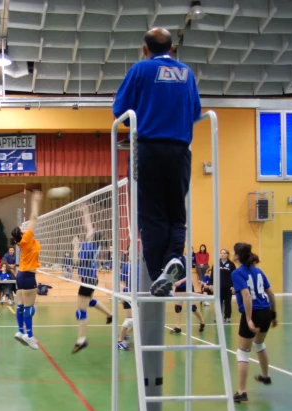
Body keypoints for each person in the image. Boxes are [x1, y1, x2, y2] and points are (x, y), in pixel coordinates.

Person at [112, 27, 202, 296]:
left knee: (151, 216)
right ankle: (174, 258)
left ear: (144, 49)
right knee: (177, 215)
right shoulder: (187, 73)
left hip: (147, 150)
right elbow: (195, 112)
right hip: (179, 151)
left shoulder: (140, 70)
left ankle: (157, 276)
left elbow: (120, 110)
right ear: (172, 48)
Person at [231, 243, 277, 403]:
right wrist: (274, 314)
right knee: (259, 344)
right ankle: (265, 376)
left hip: (254, 312)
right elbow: (270, 292)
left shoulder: (237, 273)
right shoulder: (258, 271)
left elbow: (247, 295)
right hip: (266, 311)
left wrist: (249, 319)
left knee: (243, 352)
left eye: (233, 251)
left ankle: (241, 392)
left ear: (237, 255)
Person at [72, 203, 113, 354]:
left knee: (80, 311)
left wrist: (75, 246)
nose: (88, 232)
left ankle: (81, 340)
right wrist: (85, 210)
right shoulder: (94, 245)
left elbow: (76, 262)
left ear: (92, 238)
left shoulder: (87, 248)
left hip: (88, 280)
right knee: (88, 302)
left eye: (90, 234)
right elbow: (90, 228)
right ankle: (110, 315)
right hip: (91, 279)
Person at [11, 190, 42, 350]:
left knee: (22, 305)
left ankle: (20, 331)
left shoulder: (21, 241)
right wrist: (35, 201)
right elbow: (34, 218)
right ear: (21, 234)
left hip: (21, 275)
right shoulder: (27, 238)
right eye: (21, 229)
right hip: (28, 275)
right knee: (30, 307)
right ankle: (29, 336)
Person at [216, 248, 236, 322]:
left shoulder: (231, 264)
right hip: (219, 287)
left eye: (224, 253)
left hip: (228, 287)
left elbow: (234, 276)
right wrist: (211, 284)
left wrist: (233, 286)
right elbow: (213, 275)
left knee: (228, 303)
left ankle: (227, 317)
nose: (222, 254)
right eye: (221, 253)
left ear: (227, 255)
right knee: (218, 302)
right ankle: (218, 317)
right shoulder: (217, 263)